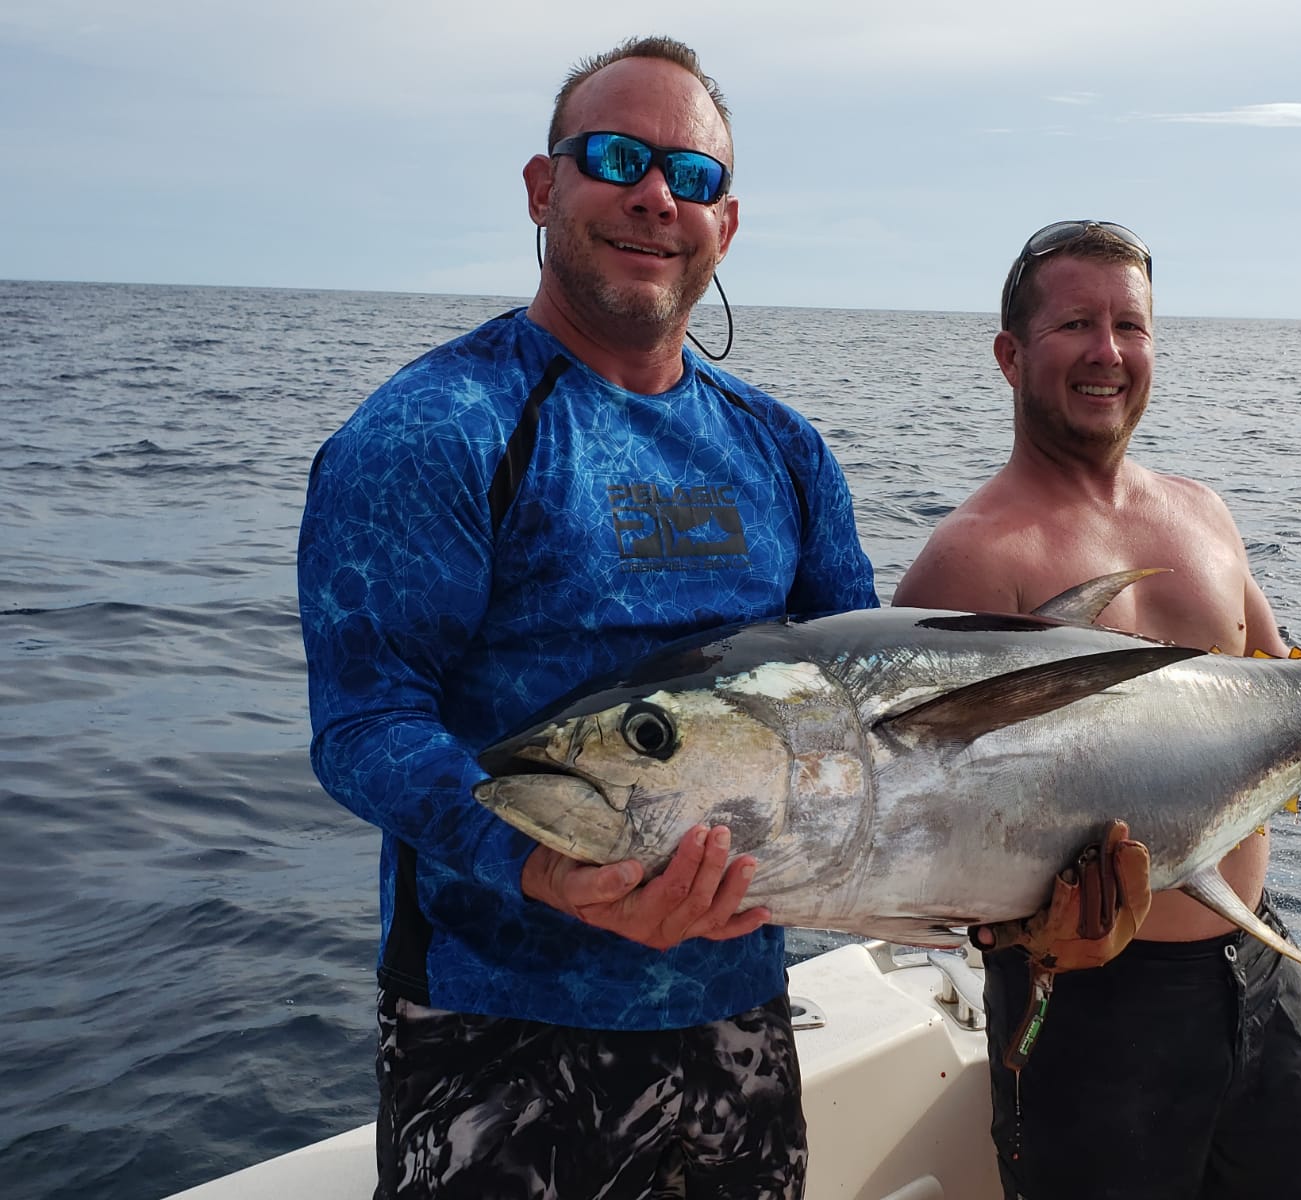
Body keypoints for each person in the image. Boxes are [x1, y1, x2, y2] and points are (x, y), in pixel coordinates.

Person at [296, 36, 881, 1200]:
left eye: (692, 175)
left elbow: (863, 711)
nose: (656, 195)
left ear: (725, 222)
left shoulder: (783, 451)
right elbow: (364, 724)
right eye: (616, 156)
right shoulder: (435, 430)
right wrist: (539, 866)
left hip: (740, 1026)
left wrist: (998, 891)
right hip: (495, 1036)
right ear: (541, 187)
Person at [892, 219, 1301, 1200]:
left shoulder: (1201, 512)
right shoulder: (970, 564)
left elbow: (1274, 693)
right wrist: (1028, 938)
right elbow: (919, 837)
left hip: (1257, 972)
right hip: (1091, 1019)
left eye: (1128, 325)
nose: (1106, 351)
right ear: (1010, 355)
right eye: (1075, 325)